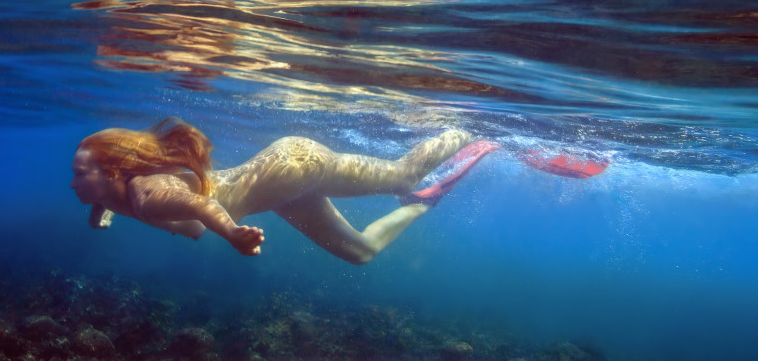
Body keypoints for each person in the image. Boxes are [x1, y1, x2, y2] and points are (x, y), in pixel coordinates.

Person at [70, 117, 505, 265]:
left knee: (402, 174)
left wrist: (233, 234)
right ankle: (420, 205)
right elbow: (109, 200)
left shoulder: (147, 194)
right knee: (360, 253)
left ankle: (472, 128)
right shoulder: (113, 193)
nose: (71, 183)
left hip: (295, 166)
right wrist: (99, 210)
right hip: (280, 191)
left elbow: (201, 206)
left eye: (79, 174)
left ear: (112, 172)